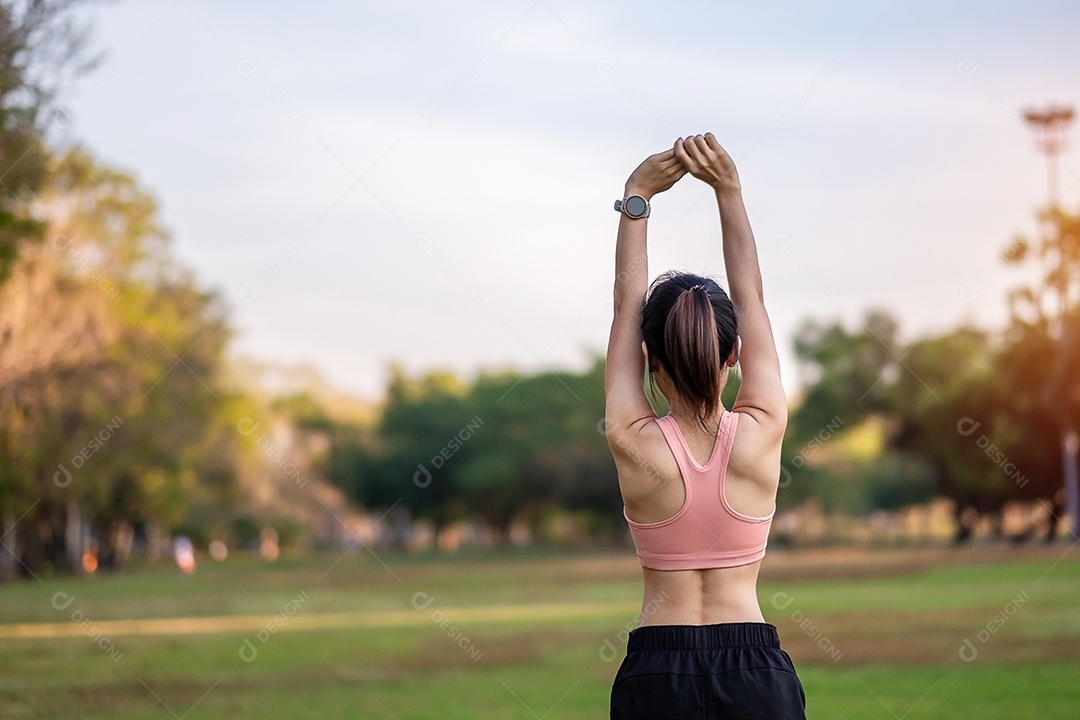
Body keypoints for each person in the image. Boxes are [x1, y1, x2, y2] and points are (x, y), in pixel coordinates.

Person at [604, 133, 807, 719]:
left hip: (656, 675)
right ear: (734, 355)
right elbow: (752, 298)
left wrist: (637, 198)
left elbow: (625, 308)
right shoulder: (762, 429)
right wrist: (728, 190)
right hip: (755, 676)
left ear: (648, 359)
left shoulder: (631, 438)